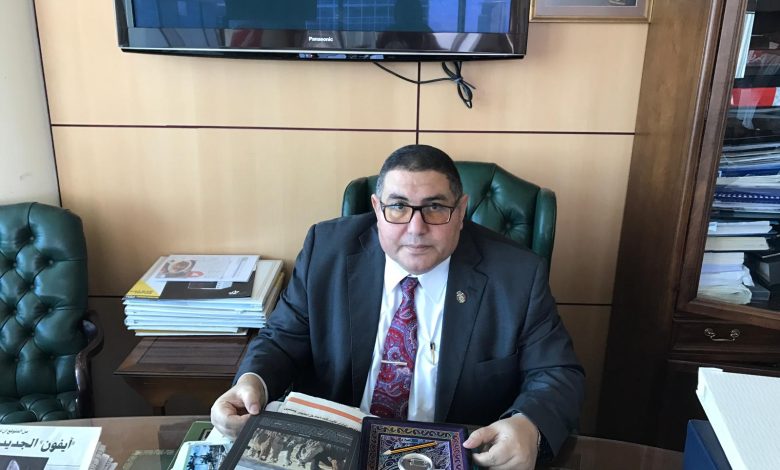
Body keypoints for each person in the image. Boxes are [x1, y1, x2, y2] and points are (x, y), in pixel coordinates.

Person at [211, 144, 585, 469]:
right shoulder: (326, 250)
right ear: (377, 209)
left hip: (456, 456)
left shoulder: (517, 274)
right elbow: (281, 340)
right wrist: (251, 381)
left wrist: (528, 425)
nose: (416, 228)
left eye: (435, 207)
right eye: (399, 207)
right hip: (335, 452)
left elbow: (557, 372)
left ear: (461, 210)